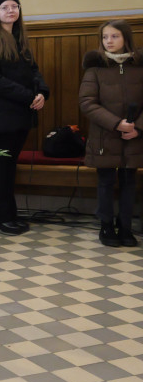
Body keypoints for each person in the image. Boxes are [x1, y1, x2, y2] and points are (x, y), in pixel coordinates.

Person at [0, 0, 49, 235]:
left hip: (21, 112)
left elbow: (33, 70)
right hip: (2, 113)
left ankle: (5, 214)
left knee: (9, 164)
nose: (10, 11)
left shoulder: (19, 36)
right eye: (5, 7)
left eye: (14, 6)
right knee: (1, 164)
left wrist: (42, 92)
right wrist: (27, 96)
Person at [79, 20, 142, 247]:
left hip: (134, 137)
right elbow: (87, 102)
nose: (109, 41)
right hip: (105, 135)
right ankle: (106, 225)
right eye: (105, 37)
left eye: (114, 36)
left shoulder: (139, 66)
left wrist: (137, 128)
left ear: (126, 38)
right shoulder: (95, 68)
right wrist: (117, 124)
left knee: (128, 181)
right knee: (105, 181)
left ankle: (125, 227)